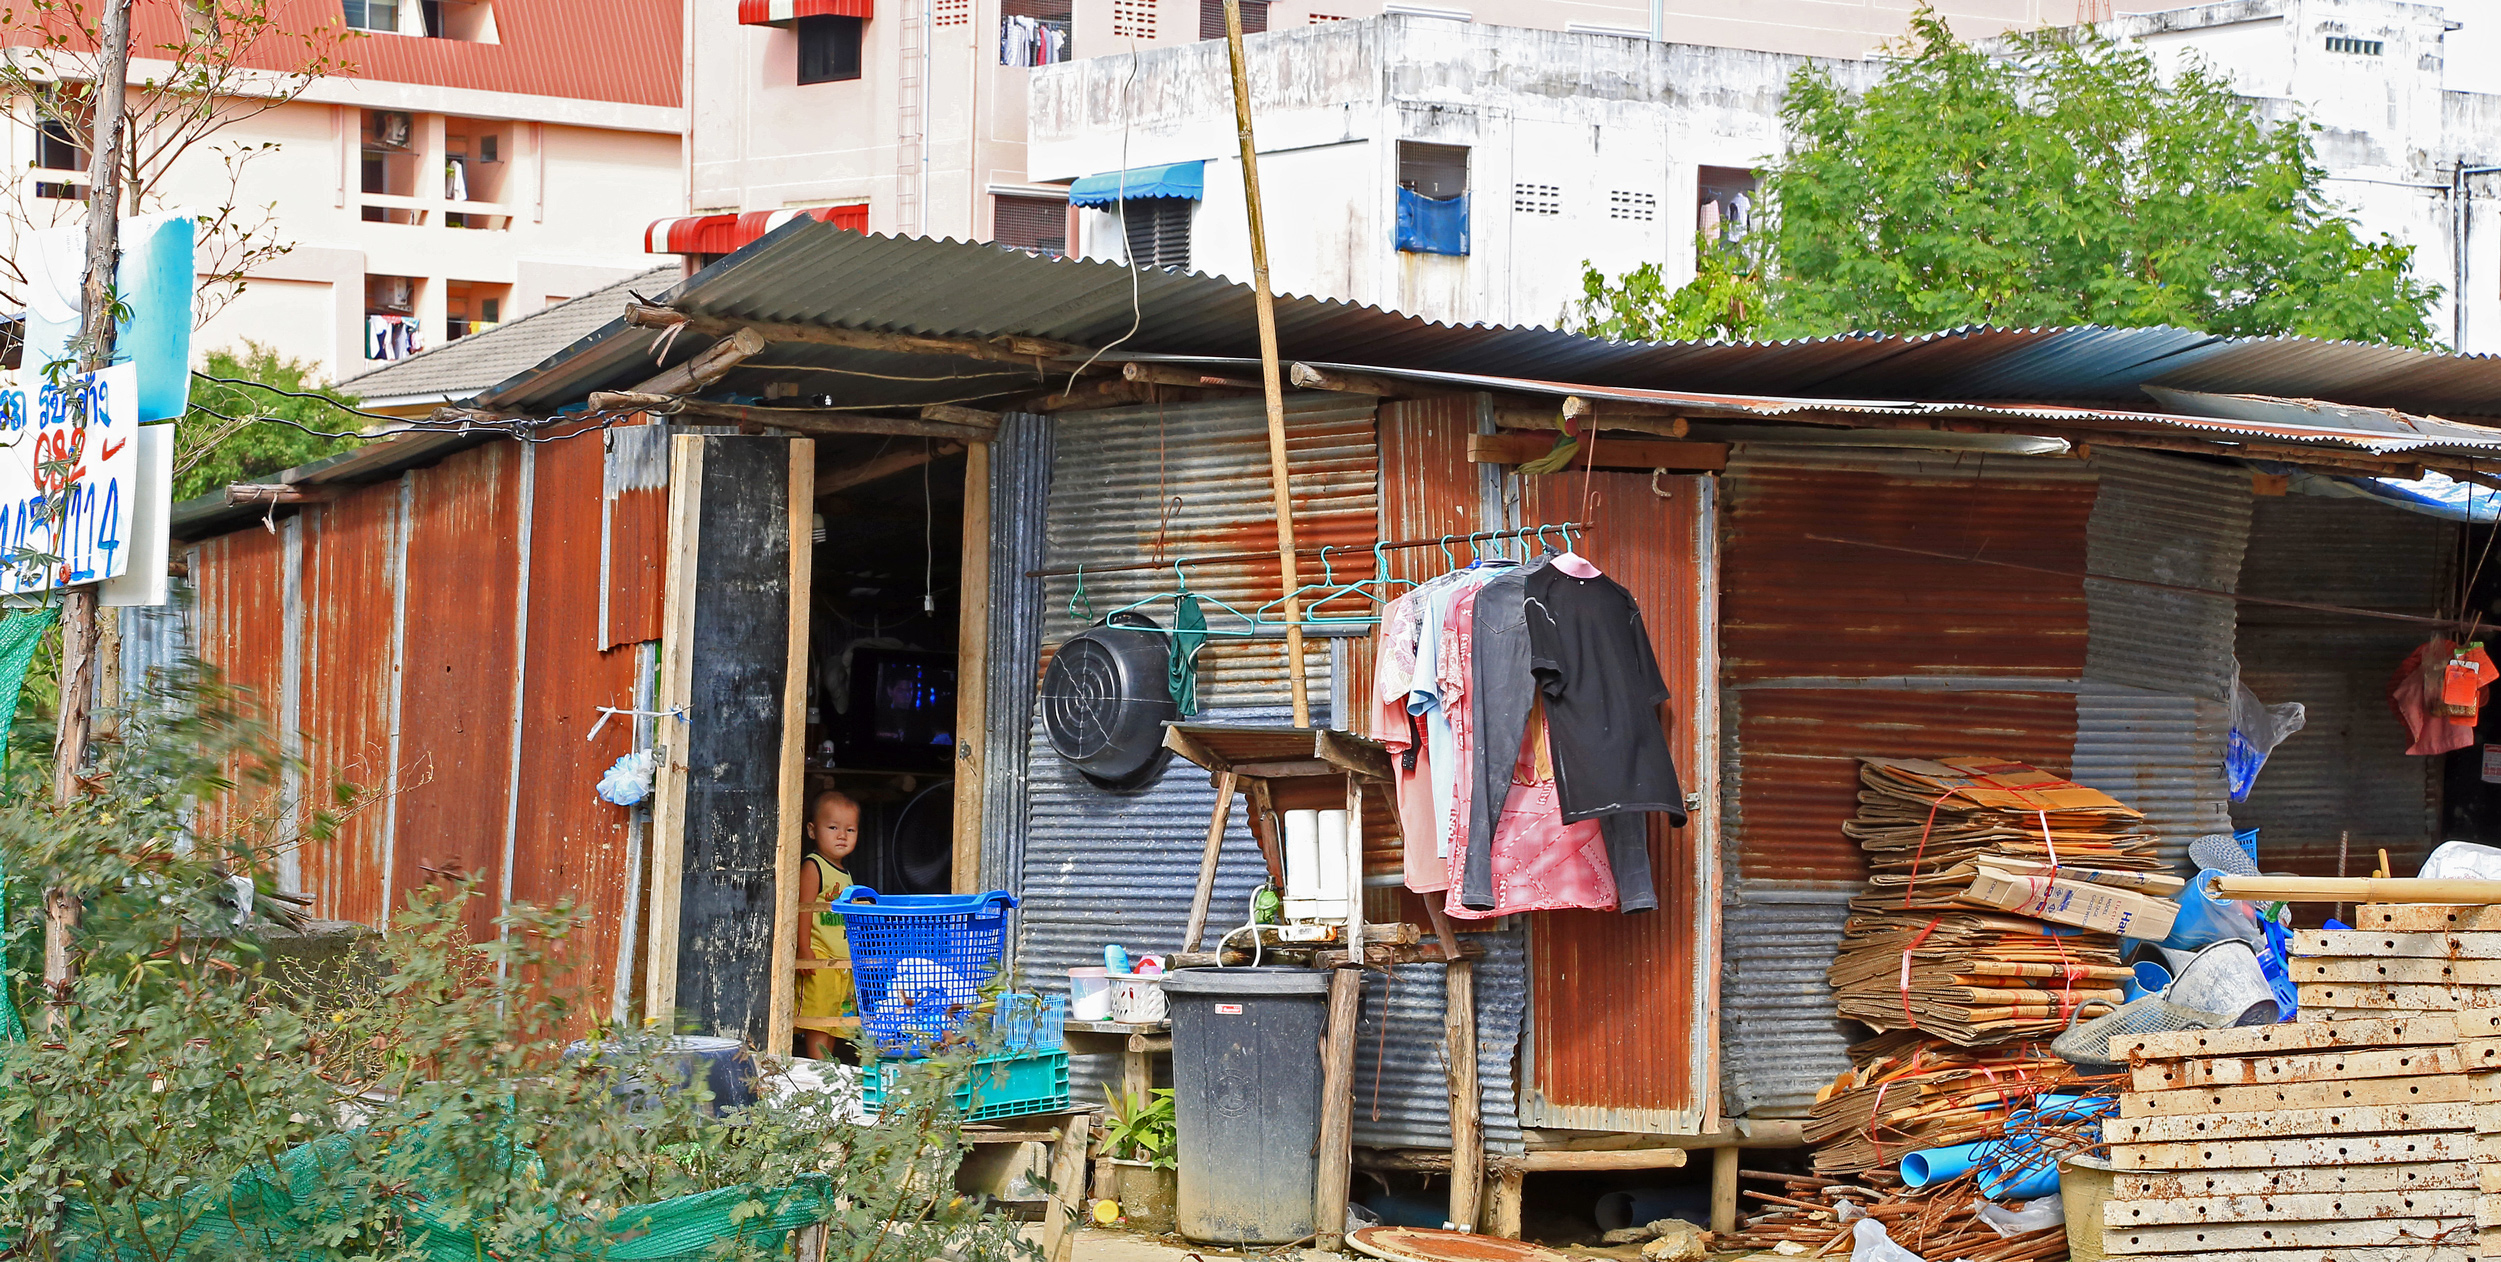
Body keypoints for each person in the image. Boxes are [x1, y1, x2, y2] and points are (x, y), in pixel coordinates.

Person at [797, 788, 861, 1060]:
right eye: (833, 827)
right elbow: (802, 910)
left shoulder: (846, 873)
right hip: (820, 959)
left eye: (850, 830)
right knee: (818, 1016)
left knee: (836, 1019)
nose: (841, 836)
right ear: (812, 831)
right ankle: (816, 1067)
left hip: (842, 962)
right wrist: (804, 950)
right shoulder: (814, 866)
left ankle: (827, 1070)